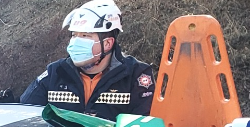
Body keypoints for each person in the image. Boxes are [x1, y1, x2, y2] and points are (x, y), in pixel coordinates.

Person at [11, 0, 154, 120]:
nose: (76, 42)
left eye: (85, 36)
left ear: (108, 43)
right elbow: (24, 115)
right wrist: (10, 105)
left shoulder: (136, 75)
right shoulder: (55, 73)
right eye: (74, 35)